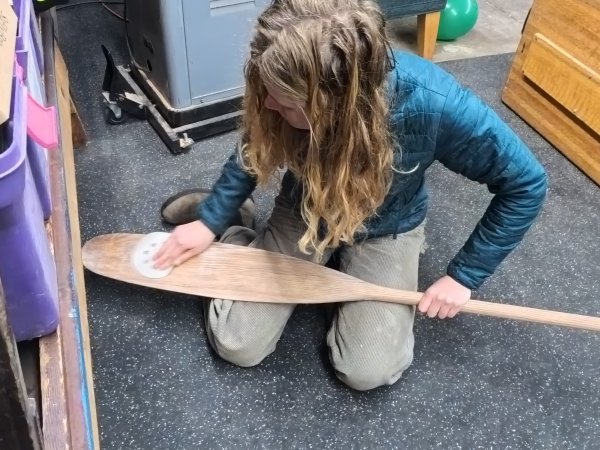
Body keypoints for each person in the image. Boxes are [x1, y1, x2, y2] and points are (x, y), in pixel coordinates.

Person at [153, 0, 547, 391]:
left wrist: (463, 277)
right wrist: (210, 221)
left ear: (335, 105)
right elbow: (256, 145)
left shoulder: (434, 103)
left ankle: (331, 268)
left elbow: (526, 184)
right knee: (237, 343)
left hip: (387, 224)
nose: (269, 104)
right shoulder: (279, 93)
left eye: (285, 101)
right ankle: (236, 223)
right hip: (305, 211)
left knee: (367, 371)